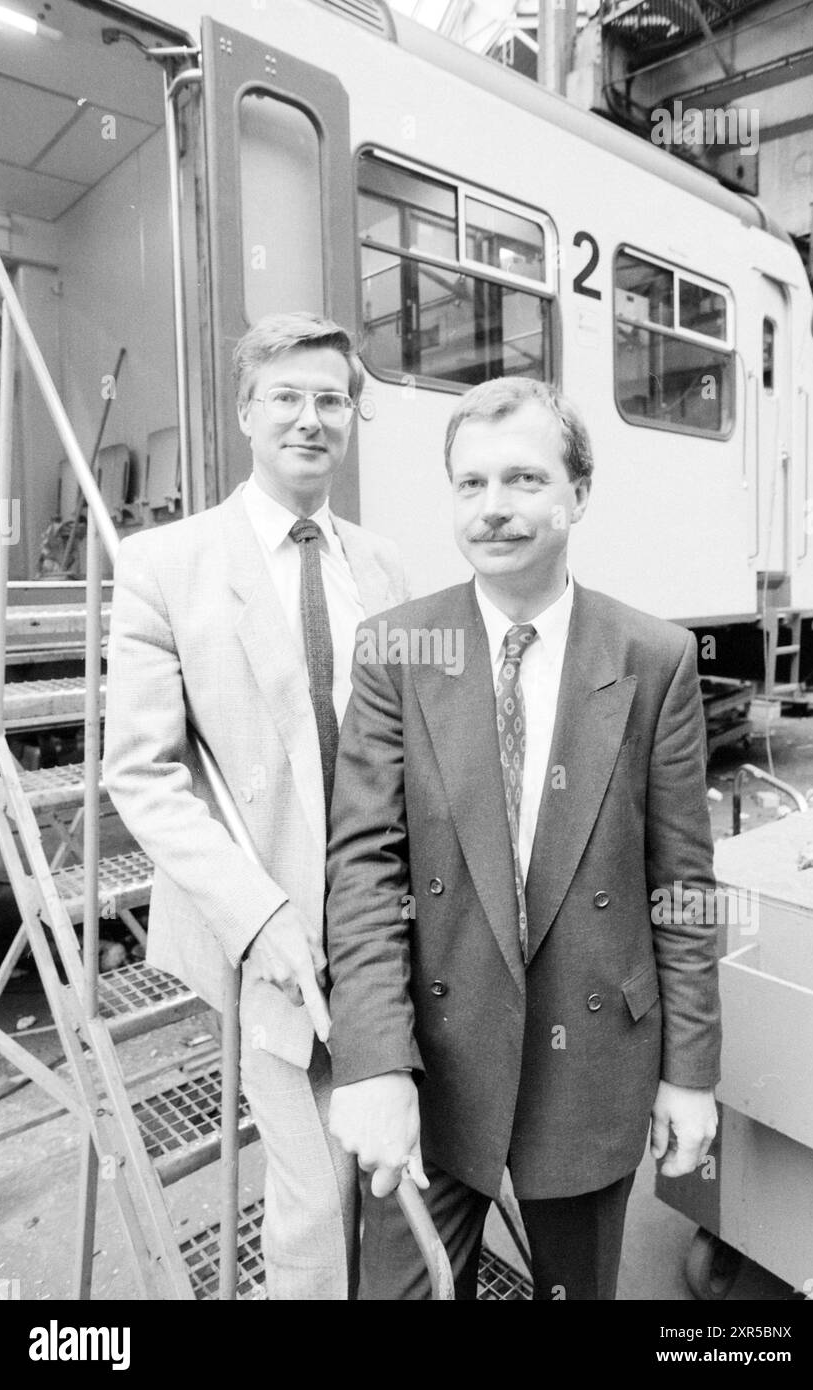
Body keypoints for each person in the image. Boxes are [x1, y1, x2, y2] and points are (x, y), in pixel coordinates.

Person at [325, 377, 720, 1301]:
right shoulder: (398, 650)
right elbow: (365, 869)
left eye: (523, 480)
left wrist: (691, 1076)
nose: (493, 509)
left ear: (578, 495)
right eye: (471, 485)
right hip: (433, 1067)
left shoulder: (652, 657)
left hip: (592, 1070)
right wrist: (375, 1062)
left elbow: (684, 885)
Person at [103, 311, 407, 1300]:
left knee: (388, 1174)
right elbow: (141, 772)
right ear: (245, 411)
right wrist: (260, 916)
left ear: (350, 418)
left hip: (380, 932)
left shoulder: (385, 568)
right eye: (286, 396)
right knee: (314, 1196)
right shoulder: (165, 566)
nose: (309, 418)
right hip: (263, 935)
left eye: (331, 399)